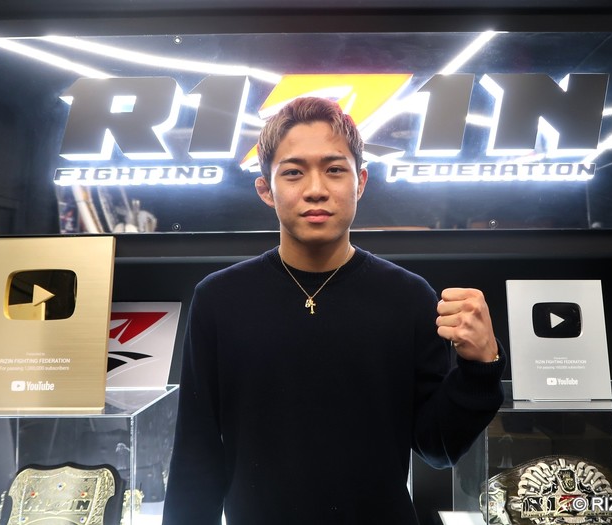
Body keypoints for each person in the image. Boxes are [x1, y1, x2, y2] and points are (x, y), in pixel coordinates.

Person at [162, 97, 505, 525]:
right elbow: (196, 451)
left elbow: (437, 447)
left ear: (360, 182)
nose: (315, 189)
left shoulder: (408, 297)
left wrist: (480, 368)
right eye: (293, 172)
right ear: (265, 189)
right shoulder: (220, 299)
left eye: (334, 169)